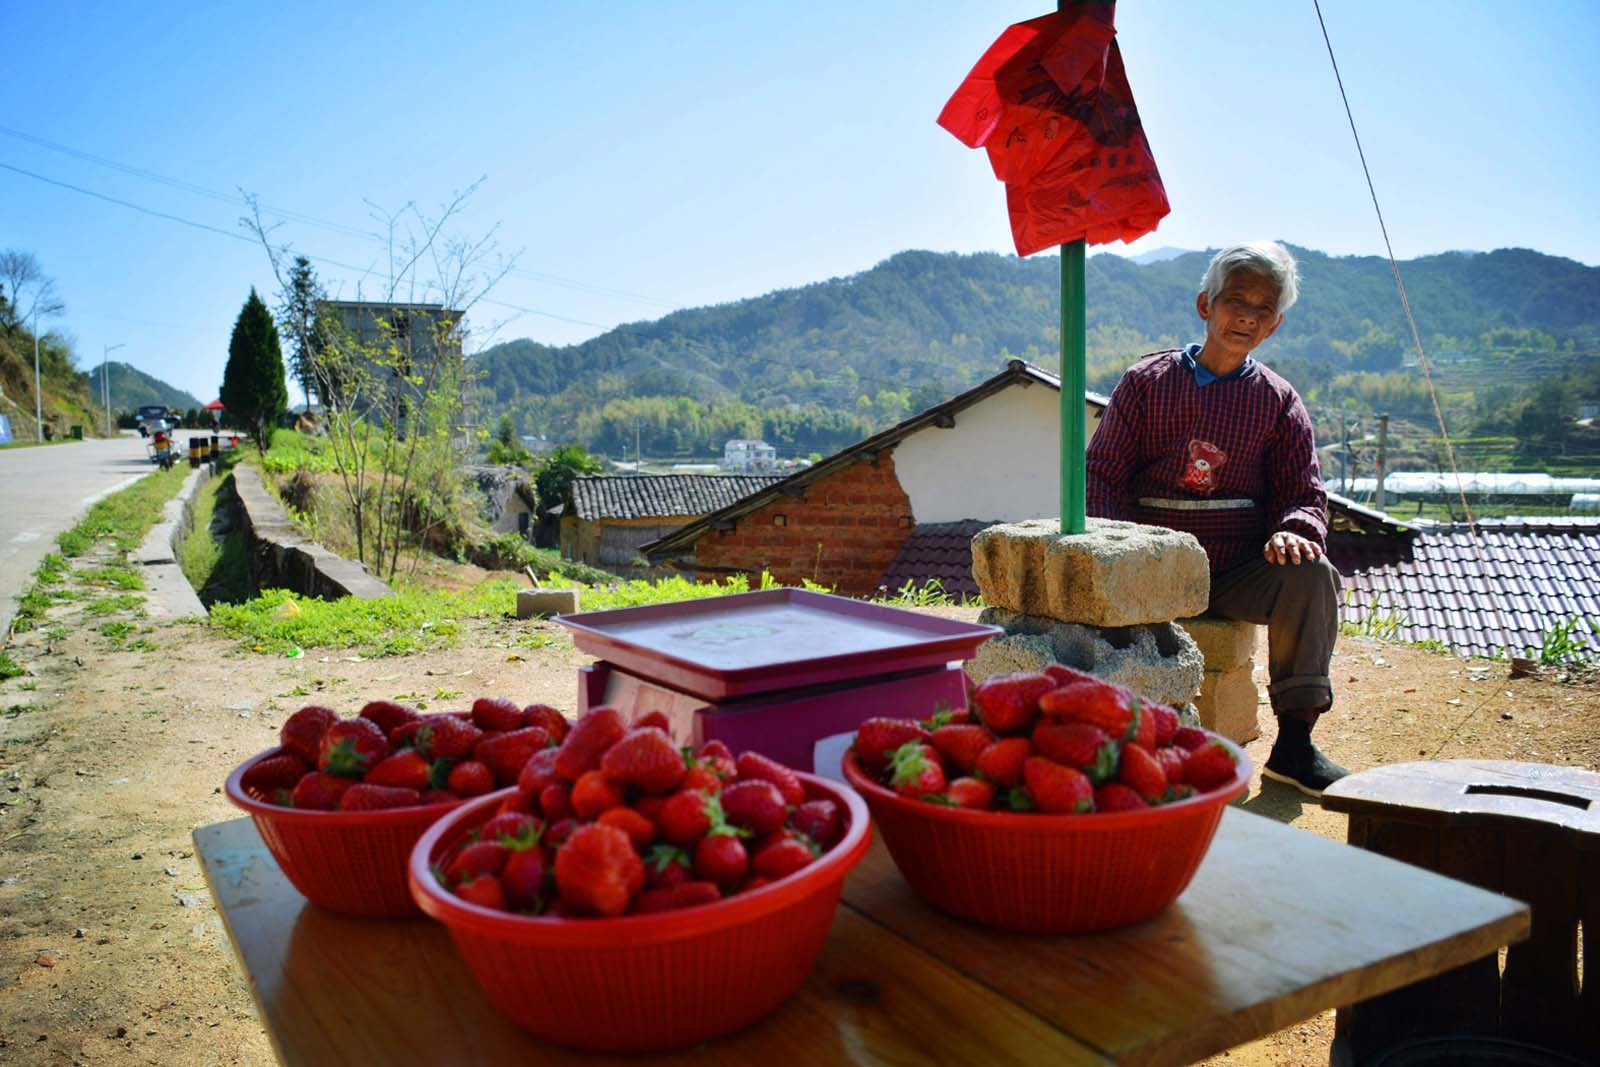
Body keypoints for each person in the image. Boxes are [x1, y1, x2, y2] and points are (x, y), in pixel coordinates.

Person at [1085, 240, 1346, 796]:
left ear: (1273, 326)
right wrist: (1118, 551)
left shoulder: (1278, 400)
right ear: (1206, 305)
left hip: (1232, 574)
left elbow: (1304, 490)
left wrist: (1295, 529)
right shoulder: (1146, 383)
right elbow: (1101, 475)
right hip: (1148, 573)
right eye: (1236, 300)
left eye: (1262, 309)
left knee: (1313, 575)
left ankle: (1295, 746)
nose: (1247, 316)